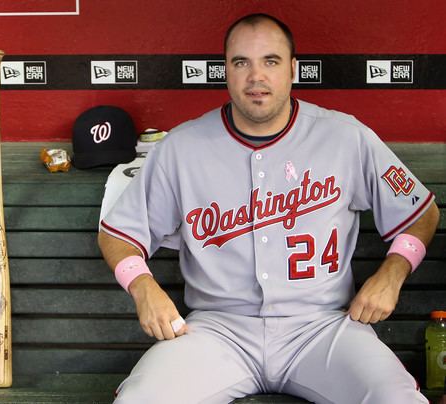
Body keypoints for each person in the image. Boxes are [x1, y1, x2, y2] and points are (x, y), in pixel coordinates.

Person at [98, 12, 439, 404]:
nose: (255, 77)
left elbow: (420, 213)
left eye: (270, 62)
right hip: (216, 332)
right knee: (140, 399)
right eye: (241, 62)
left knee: (395, 398)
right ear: (225, 70)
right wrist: (144, 288)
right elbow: (118, 234)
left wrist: (392, 274)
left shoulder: (346, 138)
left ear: (293, 69)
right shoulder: (182, 147)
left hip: (323, 329)